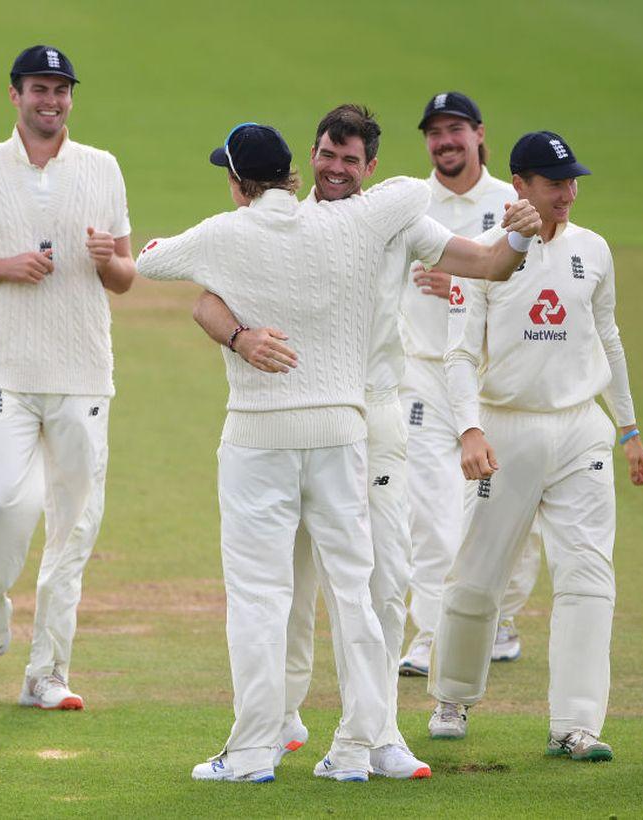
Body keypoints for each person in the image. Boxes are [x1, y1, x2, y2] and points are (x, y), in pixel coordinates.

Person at [189, 105, 541, 780]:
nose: (336, 168)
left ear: (370, 167)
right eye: (327, 153)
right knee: (281, 585)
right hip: (289, 420)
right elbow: (205, 297)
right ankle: (278, 723)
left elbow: (491, 264)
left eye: (351, 159)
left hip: (372, 417)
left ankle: (370, 735)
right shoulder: (286, 217)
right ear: (310, 156)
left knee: (382, 582)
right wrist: (240, 336)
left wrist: (520, 237)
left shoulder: (396, 220)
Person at [138, 121, 435, 783]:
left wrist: (232, 305)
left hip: (259, 437)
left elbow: (150, 259)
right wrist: (363, 201)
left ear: (238, 182)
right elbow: (414, 191)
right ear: (295, 176)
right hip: (341, 433)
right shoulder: (348, 223)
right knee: (353, 594)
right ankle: (355, 752)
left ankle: (250, 755)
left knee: (259, 598)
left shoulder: (224, 232)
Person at [0, 45, 136, 710]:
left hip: (82, 374)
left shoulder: (102, 168)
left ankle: (48, 672)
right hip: (3, 373)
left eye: (61, 90)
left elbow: (127, 275)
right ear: (14, 94)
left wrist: (108, 261)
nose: (52, 100)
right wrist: (5, 265)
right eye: (40, 88)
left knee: (73, 527)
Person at [428, 132, 643, 761]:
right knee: (478, 575)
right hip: (507, 427)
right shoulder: (480, 256)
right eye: (555, 184)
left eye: (573, 182)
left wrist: (629, 428)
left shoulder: (595, 250)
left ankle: (575, 723)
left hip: (582, 429)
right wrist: (468, 428)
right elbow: (459, 352)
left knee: (587, 575)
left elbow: (608, 338)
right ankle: (452, 695)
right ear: (519, 185)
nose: (568, 194)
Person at [398, 91, 544, 676]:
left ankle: (498, 618)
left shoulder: (512, 203)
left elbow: (537, 285)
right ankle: (432, 634)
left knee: (495, 514)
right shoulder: (409, 205)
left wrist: (457, 283)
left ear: (479, 133)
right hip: (423, 374)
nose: (445, 141)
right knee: (427, 513)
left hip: (491, 380)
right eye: (435, 132)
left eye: (455, 129)